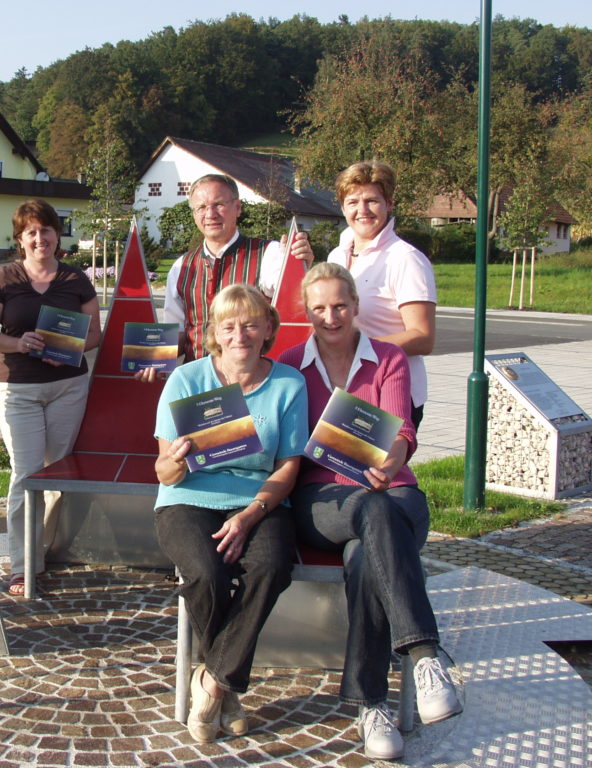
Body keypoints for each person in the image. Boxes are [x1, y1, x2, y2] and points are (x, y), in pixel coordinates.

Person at [277, 263, 461, 761]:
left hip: (394, 492)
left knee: (366, 550)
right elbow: (287, 445)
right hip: (322, 500)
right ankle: (423, 654)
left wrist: (390, 459)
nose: (331, 316)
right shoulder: (291, 365)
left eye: (340, 304)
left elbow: (402, 432)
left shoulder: (389, 358)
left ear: (357, 305)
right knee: (370, 511)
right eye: (319, 307)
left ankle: (371, 705)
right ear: (306, 312)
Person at [154, 283, 307, 743]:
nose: (240, 334)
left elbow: (288, 466)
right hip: (189, 497)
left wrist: (250, 515)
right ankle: (228, 683)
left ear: (267, 330)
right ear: (215, 334)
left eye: (250, 324)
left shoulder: (287, 383)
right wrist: (176, 459)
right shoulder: (186, 380)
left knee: (272, 565)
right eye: (229, 326)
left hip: (259, 499)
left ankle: (213, 680)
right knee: (205, 573)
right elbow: (163, 473)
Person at [0, 199, 102, 596]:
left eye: (45, 229)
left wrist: (70, 347)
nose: (39, 238)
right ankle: (20, 566)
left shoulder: (76, 280)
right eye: (30, 231)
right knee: (25, 475)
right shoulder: (5, 280)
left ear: (56, 235)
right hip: (18, 389)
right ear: (20, 239)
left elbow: (96, 334)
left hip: (68, 386)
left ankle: (42, 555)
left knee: (56, 477)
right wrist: (17, 342)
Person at [326, 161, 436, 428]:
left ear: (389, 203)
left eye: (372, 201)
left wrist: (356, 349)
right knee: (342, 468)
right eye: (352, 202)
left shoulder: (406, 259)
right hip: (347, 387)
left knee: (376, 469)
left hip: (391, 392)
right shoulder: (337, 255)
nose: (362, 210)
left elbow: (423, 337)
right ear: (342, 207)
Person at [162, 173, 314, 361]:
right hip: (197, 382)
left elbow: (296, 302)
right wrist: (152, 360)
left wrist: (300, 266)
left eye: (219, 204)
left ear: (238, 207)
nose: (210, 214)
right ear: (194, 214)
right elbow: (176, 332)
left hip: (253, 379)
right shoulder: (181, 267)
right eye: (201, 207)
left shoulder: (269, 253)